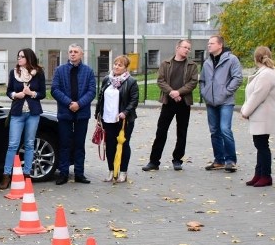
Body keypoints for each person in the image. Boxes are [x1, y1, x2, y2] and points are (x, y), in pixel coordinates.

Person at [141, 39, 199, 171]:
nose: (187, 50)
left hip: (184, 102)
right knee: (161, 131)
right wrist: (171, 92)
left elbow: (193, 82)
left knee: (182, 132)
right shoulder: (166, 64)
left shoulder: (192, 65)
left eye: (189, 48)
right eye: (185, 47)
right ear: (177, 48)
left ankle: (177, 159)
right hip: (168, 102)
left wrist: (179, 92)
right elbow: (160, 80)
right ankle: (154, 161)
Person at [51, 44, 96, 185]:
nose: (72, 54)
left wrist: (79, 104)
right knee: (64, 144)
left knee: (79, 144)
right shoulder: (60, 70)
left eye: (75, 52)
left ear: (81, 54)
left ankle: (79, 173)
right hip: (65, 113)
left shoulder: (88, 71)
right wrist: (70, 103)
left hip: (82, 114)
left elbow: (91, 91)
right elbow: (55, 90)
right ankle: (63, 173)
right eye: (70, 51)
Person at [1, 49, 46, 189]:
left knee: (29, 144)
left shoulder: (38, 73)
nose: (19, 59)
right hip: (17, 113)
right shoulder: (13, 72)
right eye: (18, 56)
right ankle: (6, 175)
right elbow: (8, 91)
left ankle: (27, 174)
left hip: (33, 113)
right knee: (13, 144)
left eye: (22, 57)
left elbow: (43, 93)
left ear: (29, 58)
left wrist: (32, 93)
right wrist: (16, 94)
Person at [200, 35, 242, 172]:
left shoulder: (231, 59)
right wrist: (204, 93)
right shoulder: (207, 62)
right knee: (214, 131)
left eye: (211, 43)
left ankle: (231, 160)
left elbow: (237, 78)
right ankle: (219, 160)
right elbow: (202, 80)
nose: (209, 45)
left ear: (220, 45)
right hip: (211, 102)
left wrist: (225, 92)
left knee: (225, 129)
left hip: (226, 101)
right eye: (208, 43)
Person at [240, 46, 275, 188]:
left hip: (263, 115)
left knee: (262, 146)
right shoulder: (265, 72)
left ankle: (265, 175)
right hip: (261, 115)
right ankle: (259, 173)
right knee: (260, 145)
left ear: (256, 58)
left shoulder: (266, 74)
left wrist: (245, 111)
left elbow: (258, 96)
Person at [95, 55, 139, 183]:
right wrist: (98, 114)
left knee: (124, 145)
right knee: (109, 146)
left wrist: (125, 112)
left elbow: (134, 100)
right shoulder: (106, 80)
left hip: (124, 120)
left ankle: (123, 172)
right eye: (115, 64)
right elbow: (100, 97)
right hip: (107, 119)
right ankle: (111, 171)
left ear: (125, 68)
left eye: (120, 65)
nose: (116, 67)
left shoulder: (131, 82)